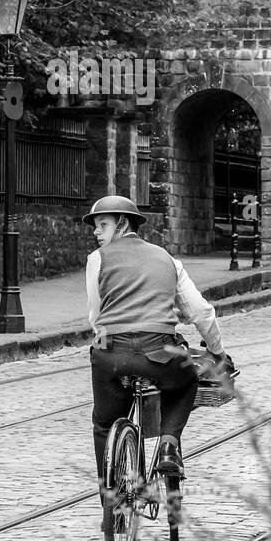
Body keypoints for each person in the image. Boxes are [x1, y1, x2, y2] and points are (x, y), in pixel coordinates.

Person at [83, 195, 236, 488]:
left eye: (102, 225)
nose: (96, 232)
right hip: (160, 353)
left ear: (122, 224)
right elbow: (201, 312)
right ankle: (168, 443)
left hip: (110, 355)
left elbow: (95, 315)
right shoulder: (168, 260)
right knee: (187, 380)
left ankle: (112, 507)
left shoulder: (96, 260)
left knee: (104, 424)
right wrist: (217, 352)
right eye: (96, 226)